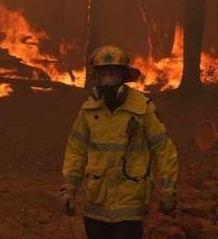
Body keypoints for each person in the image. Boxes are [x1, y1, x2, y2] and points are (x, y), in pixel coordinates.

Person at [60, 45, 179, 239]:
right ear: (96, 78)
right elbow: (76, 150)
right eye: (103, 74)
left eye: (112, 75)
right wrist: (69, 189)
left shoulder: (143, 108)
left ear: (122, 77)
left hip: (130, 207)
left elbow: (164, 149)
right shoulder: (89, 110)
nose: (107, 80)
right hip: (95, 205)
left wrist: (168, 191)